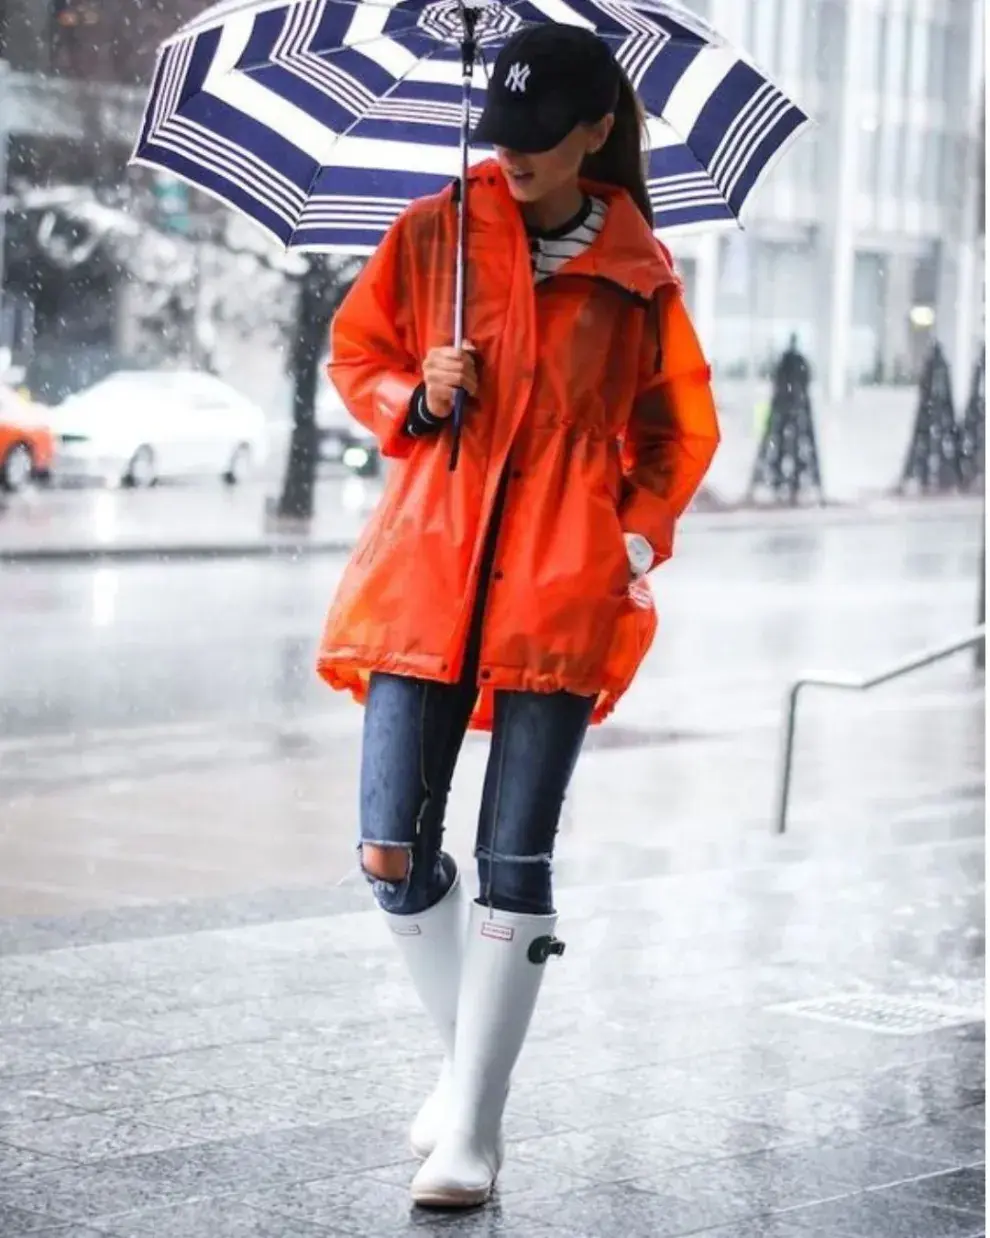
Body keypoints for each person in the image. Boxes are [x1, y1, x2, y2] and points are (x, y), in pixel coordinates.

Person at [316, 23, 720, 1209]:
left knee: (512, 857)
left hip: (558, 587)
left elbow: (679, 430)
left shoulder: (638, 272)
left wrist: (633, 536)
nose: (517, 156)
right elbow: (355, 356)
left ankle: (473, 1129)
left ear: (597, 131)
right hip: (426, 573)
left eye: (544, 138)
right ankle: (467, 1070)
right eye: (505, 133)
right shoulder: (437, 228)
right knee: (390, 847)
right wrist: (416, 388)